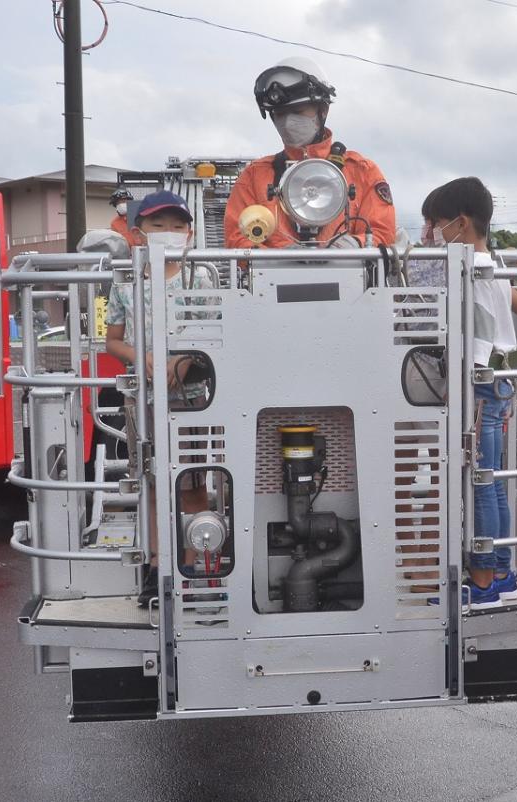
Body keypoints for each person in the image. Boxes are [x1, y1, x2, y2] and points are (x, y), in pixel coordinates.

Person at [423, 177, 517, 609]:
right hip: (499, 381)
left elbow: (472, 344)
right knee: (491, 483)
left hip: (481, 382)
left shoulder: (470, 272)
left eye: (435, 224)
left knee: (481, 484)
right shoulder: (494, 265)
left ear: (461, 223)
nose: (432, 233)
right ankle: (503, 573)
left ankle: (484, 581)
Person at [104, 190, 216, 608]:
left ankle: (196, 561)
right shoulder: (125, 283)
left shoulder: (201, 278)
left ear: (189, 233)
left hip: (192, 400)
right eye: (158, 225)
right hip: (142, 398)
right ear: (138, 233)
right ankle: (155, 568)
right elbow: (113, 340)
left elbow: (214, 332)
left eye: (177, 226)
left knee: (192, 483)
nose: (169, 233)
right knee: (150, 481)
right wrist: (144, 357)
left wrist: (185, 358)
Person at [224, 57, 396, 249]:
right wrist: (278, 257)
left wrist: (356, 244)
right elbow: (237, 238)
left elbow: (383, 232)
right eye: (280, 114)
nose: (288, 122)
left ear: (323, 110)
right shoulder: (254, 177)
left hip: (351, 275)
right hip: (276, 277)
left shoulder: (363, 172)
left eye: (297, 111)